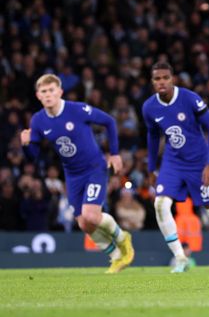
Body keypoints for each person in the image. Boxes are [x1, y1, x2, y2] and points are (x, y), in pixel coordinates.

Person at [20, 74, 134, 274]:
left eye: (51, 90)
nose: (48, 95)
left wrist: (115, 154)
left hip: (94, 168)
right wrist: (26, 144)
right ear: (38, 95)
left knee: (91, 215)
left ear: (60, 92)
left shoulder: (77, 109)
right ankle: (116, 257)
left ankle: (123, 238)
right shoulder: (38, 120)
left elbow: (109, 121)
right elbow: (33, 157)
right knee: (84, 224)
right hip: (72, 174)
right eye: (44, 92)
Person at [142, 61, 209, 273]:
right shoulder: (149, 107)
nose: (161, 82)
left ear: (172, 79)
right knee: (160, 204)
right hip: (172, 163)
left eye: (165, 78)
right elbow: (152, 136)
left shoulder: (189, 98)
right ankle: (179, 257)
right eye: (157, 78)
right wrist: (151, 168)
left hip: (199, 163)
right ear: (152, 82)